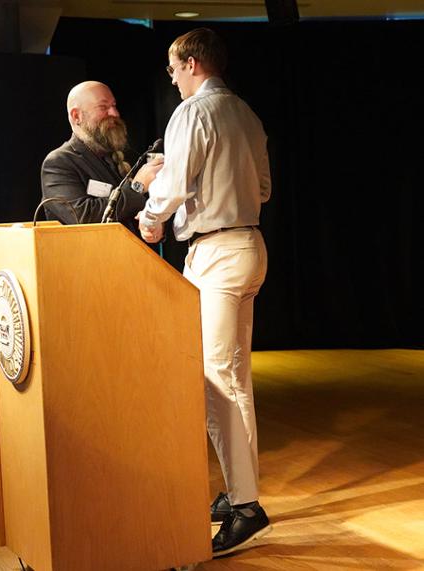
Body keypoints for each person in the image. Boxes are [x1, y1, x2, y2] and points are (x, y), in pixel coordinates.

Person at [136, 28, 272, 557]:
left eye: (173, 69)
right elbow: (263, 188)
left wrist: (150, 218)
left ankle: (246, 507)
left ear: (192, 64)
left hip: (216, 252)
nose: (171, 79)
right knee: (233, 378)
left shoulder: (192, 113)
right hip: (250, 245)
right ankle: (244, 492)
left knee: (214, 380)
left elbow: (171, 187)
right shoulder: (248, 114)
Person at [41, 81, 162, 232]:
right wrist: (137, 188)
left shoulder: (125, 157)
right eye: (103, 107)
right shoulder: (59, 163)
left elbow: (139, 211)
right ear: (76, 116)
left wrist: (154, 228)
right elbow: (83, 216)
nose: (115, 113)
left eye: (114, 106)